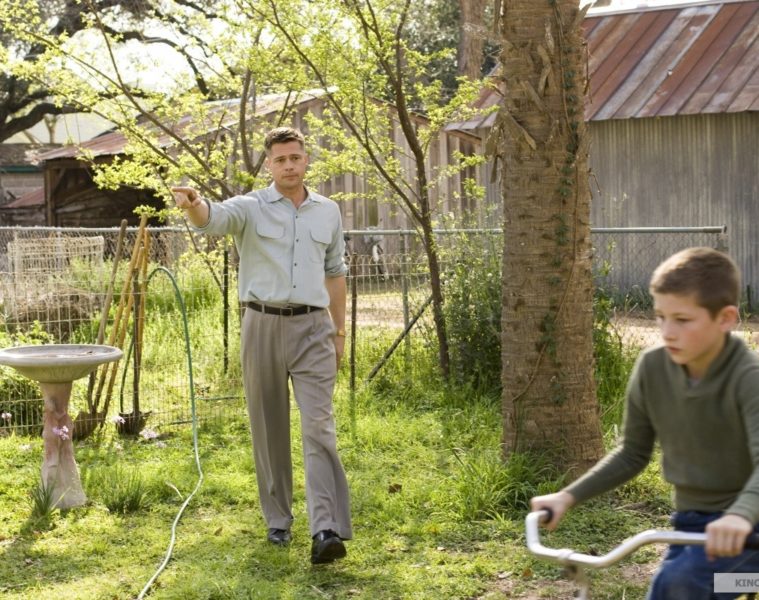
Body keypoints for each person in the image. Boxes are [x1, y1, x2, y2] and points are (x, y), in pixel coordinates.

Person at [531, 247, 759, 599]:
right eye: (660, 317)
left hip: (749, 528)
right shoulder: (653, 368)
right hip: (692, 525)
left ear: (726, 318)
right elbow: (632, 453)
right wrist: (567, 496)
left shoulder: (749, 378)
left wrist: (740, 516)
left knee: (680, 586)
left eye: (682, 320)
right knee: (678, 586)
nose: (667, 332)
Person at [171, 126, 352, 565]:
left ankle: (325, 528)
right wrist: (193, 204)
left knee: (319, 427)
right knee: (269, 426)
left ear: (306, 160)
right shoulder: (250, 207)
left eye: (296, 157)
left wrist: (339, 332)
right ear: (269, 165)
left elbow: (335, 273)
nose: (289, 166)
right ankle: (278, 520)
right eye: (280, 160)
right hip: (262, 324)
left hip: (314, 330)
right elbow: (212, 219)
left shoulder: (327, 211)